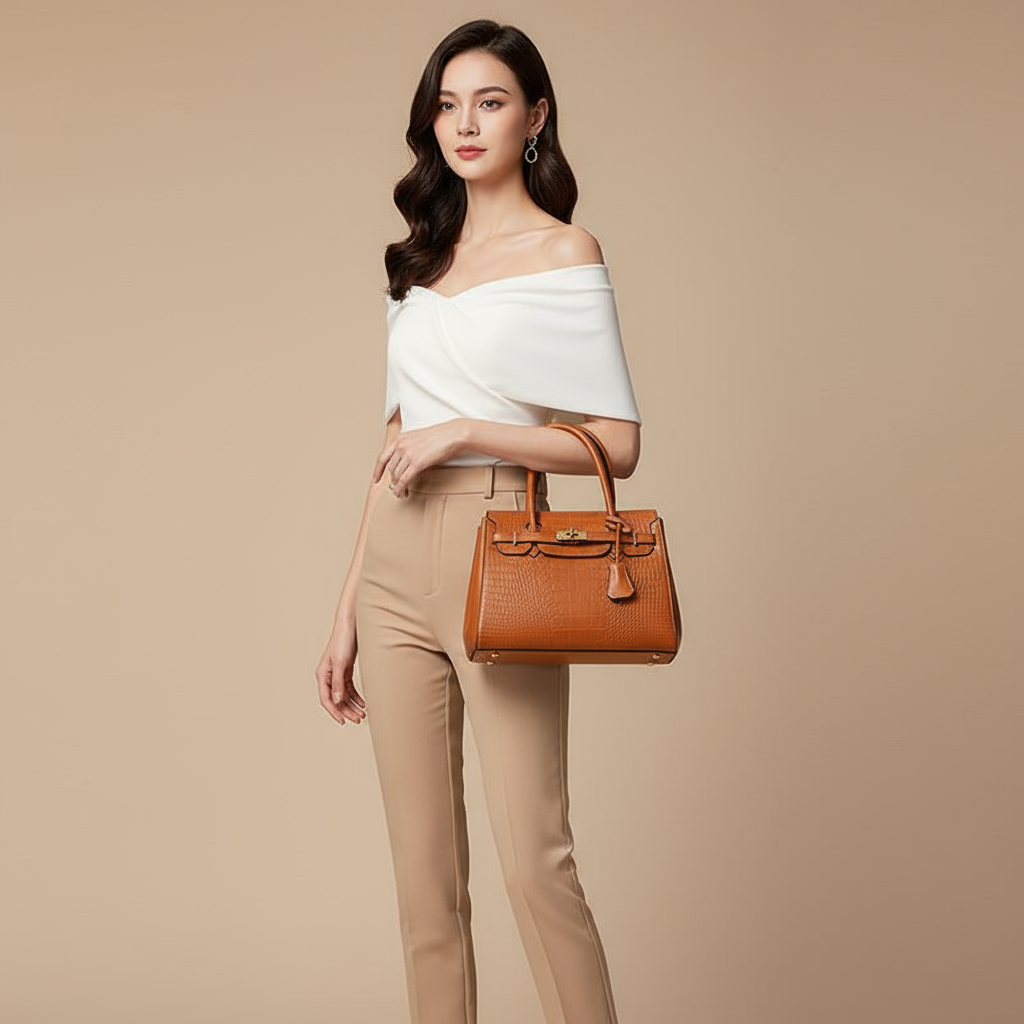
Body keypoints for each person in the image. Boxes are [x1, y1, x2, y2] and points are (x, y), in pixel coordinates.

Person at [316, 19, 643, 1024]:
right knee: (424, 887)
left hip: (500, 543)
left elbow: (616, 444)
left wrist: (466, 431)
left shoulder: (563, 251)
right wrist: (346, 613)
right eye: (448, 104)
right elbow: (390, 442)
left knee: (534, 862)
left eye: (489, 101)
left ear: (535, 117)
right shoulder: (421, 258)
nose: (464, 123)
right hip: (396, 554)